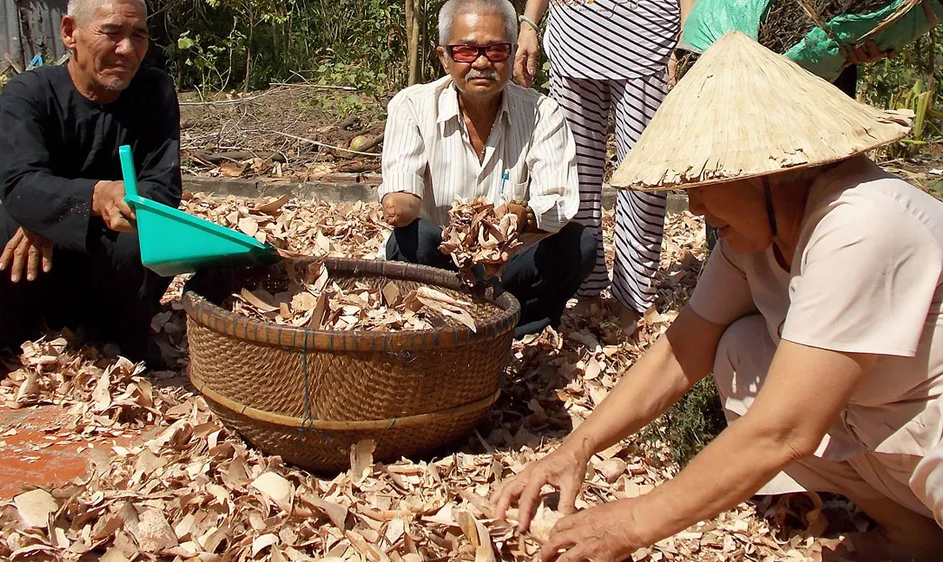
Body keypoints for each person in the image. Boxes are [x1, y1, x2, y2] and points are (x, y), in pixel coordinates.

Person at [491, 32, 942, 562]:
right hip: (878, 425)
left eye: (705, 183)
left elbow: (785, 429)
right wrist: (575, 450)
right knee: (740, 349)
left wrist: (632, 523)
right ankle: (912, 532)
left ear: (769, 171)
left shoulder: (862, 223)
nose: (696, 205)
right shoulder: (756, 238)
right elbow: (684, 348)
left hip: (927, 424)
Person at [0, 0, 182, 382]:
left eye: (138, 36)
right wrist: (77, 204)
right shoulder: (29, 92)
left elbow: (162, 186)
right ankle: (13, 345)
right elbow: (19, 181)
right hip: (41, 258)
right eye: (112, 33)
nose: (127, 50)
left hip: (112, 250)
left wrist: (72, 212)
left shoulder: (155, 91)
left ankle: (120, 337)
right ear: (70, 33)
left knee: (144, 239)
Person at [380, 0, 596, 338]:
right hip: (439, 269)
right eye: (466, 51)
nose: (481, 62)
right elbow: (402, 190)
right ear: (443, 57)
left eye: (496, 50)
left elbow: (559, 202)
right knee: (412, 238)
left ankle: (516, 328)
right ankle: (441, 326)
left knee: (578, 245)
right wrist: (399, 204)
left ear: (512, 54)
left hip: (506, 270)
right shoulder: (411, 107)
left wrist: (518, 218)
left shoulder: (544, 114)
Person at [515, 0, 692, 335]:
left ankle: (635, 295)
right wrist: (529, 23)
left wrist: (685, 39)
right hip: (573, 40)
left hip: (648, 39)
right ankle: (586, 289)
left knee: (644, 180)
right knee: (573, 177)